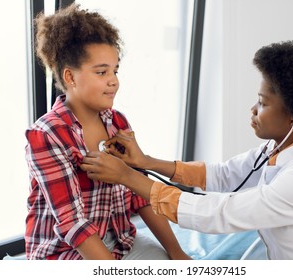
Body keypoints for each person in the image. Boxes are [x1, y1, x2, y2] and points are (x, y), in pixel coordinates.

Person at [81, 40, 293, 260]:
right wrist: (147, 161)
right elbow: (222, 175)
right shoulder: (279, 147)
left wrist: (128, 176)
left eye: (262, 102)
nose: (253, 109)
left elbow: (217, 213)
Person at [25, 4, 190, 260]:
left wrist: (177, 253)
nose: (114, 80)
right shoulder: (47, 135)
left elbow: (141, 194)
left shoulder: (117, 123)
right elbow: (73, 223)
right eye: (102, 72)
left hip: (119, 241)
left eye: (115, 70)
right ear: (70, 77)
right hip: (64, 252)